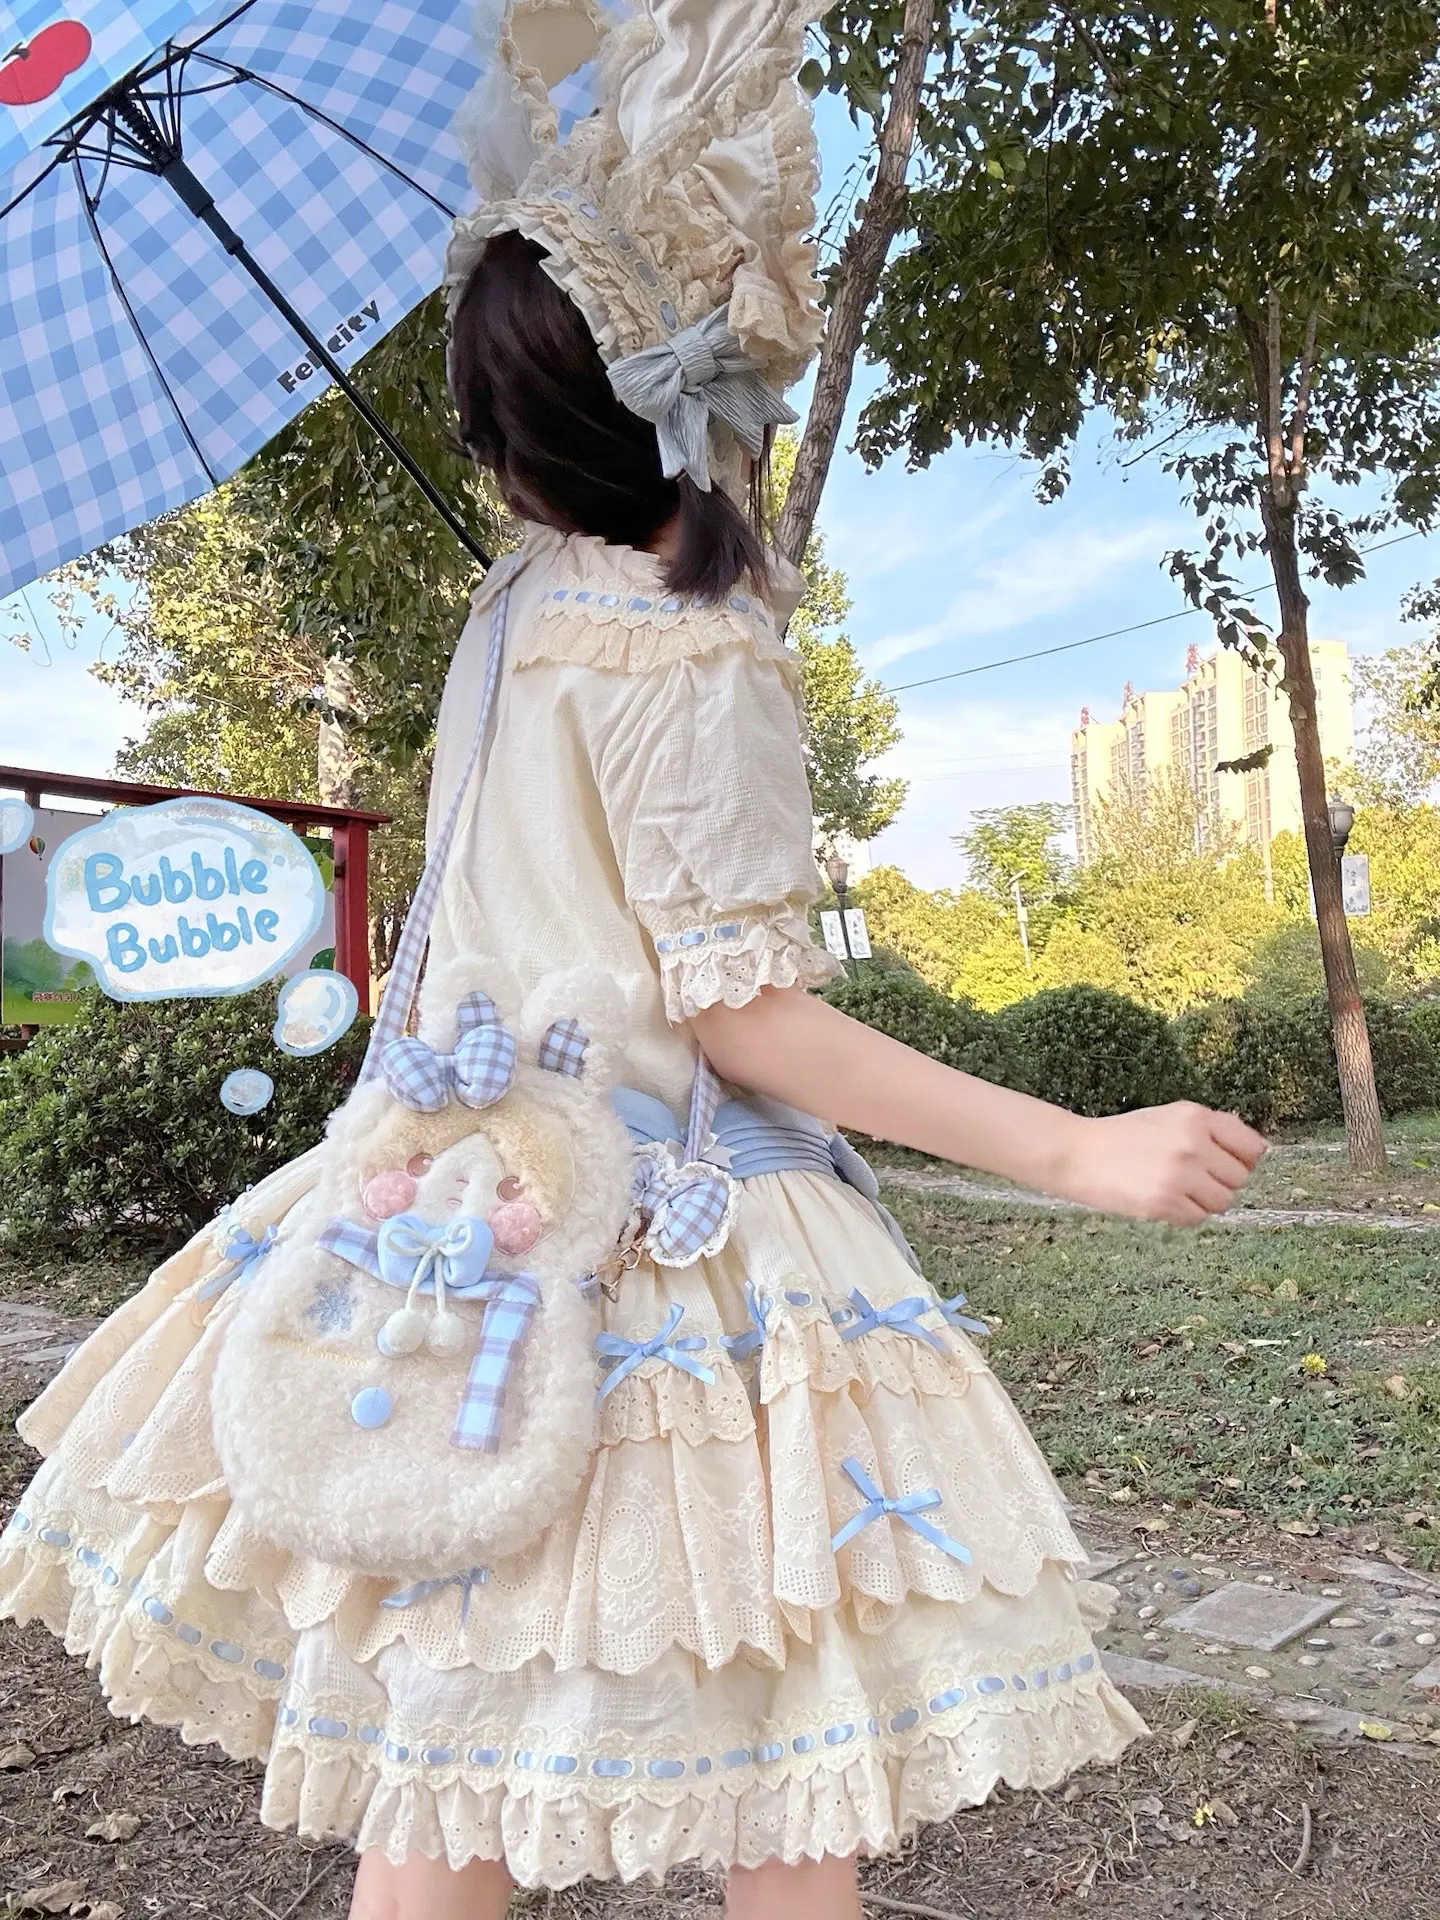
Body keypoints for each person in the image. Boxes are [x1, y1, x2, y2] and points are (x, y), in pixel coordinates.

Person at [0, 6, 1266, 1918]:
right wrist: (1074, 1147)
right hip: (671, 1240)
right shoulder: (684, 634)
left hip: (449, 1207)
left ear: (523, 441)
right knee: (781, 1744)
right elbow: (743, 1014)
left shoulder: (513, 616)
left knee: (449, 1738)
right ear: (720, 380)